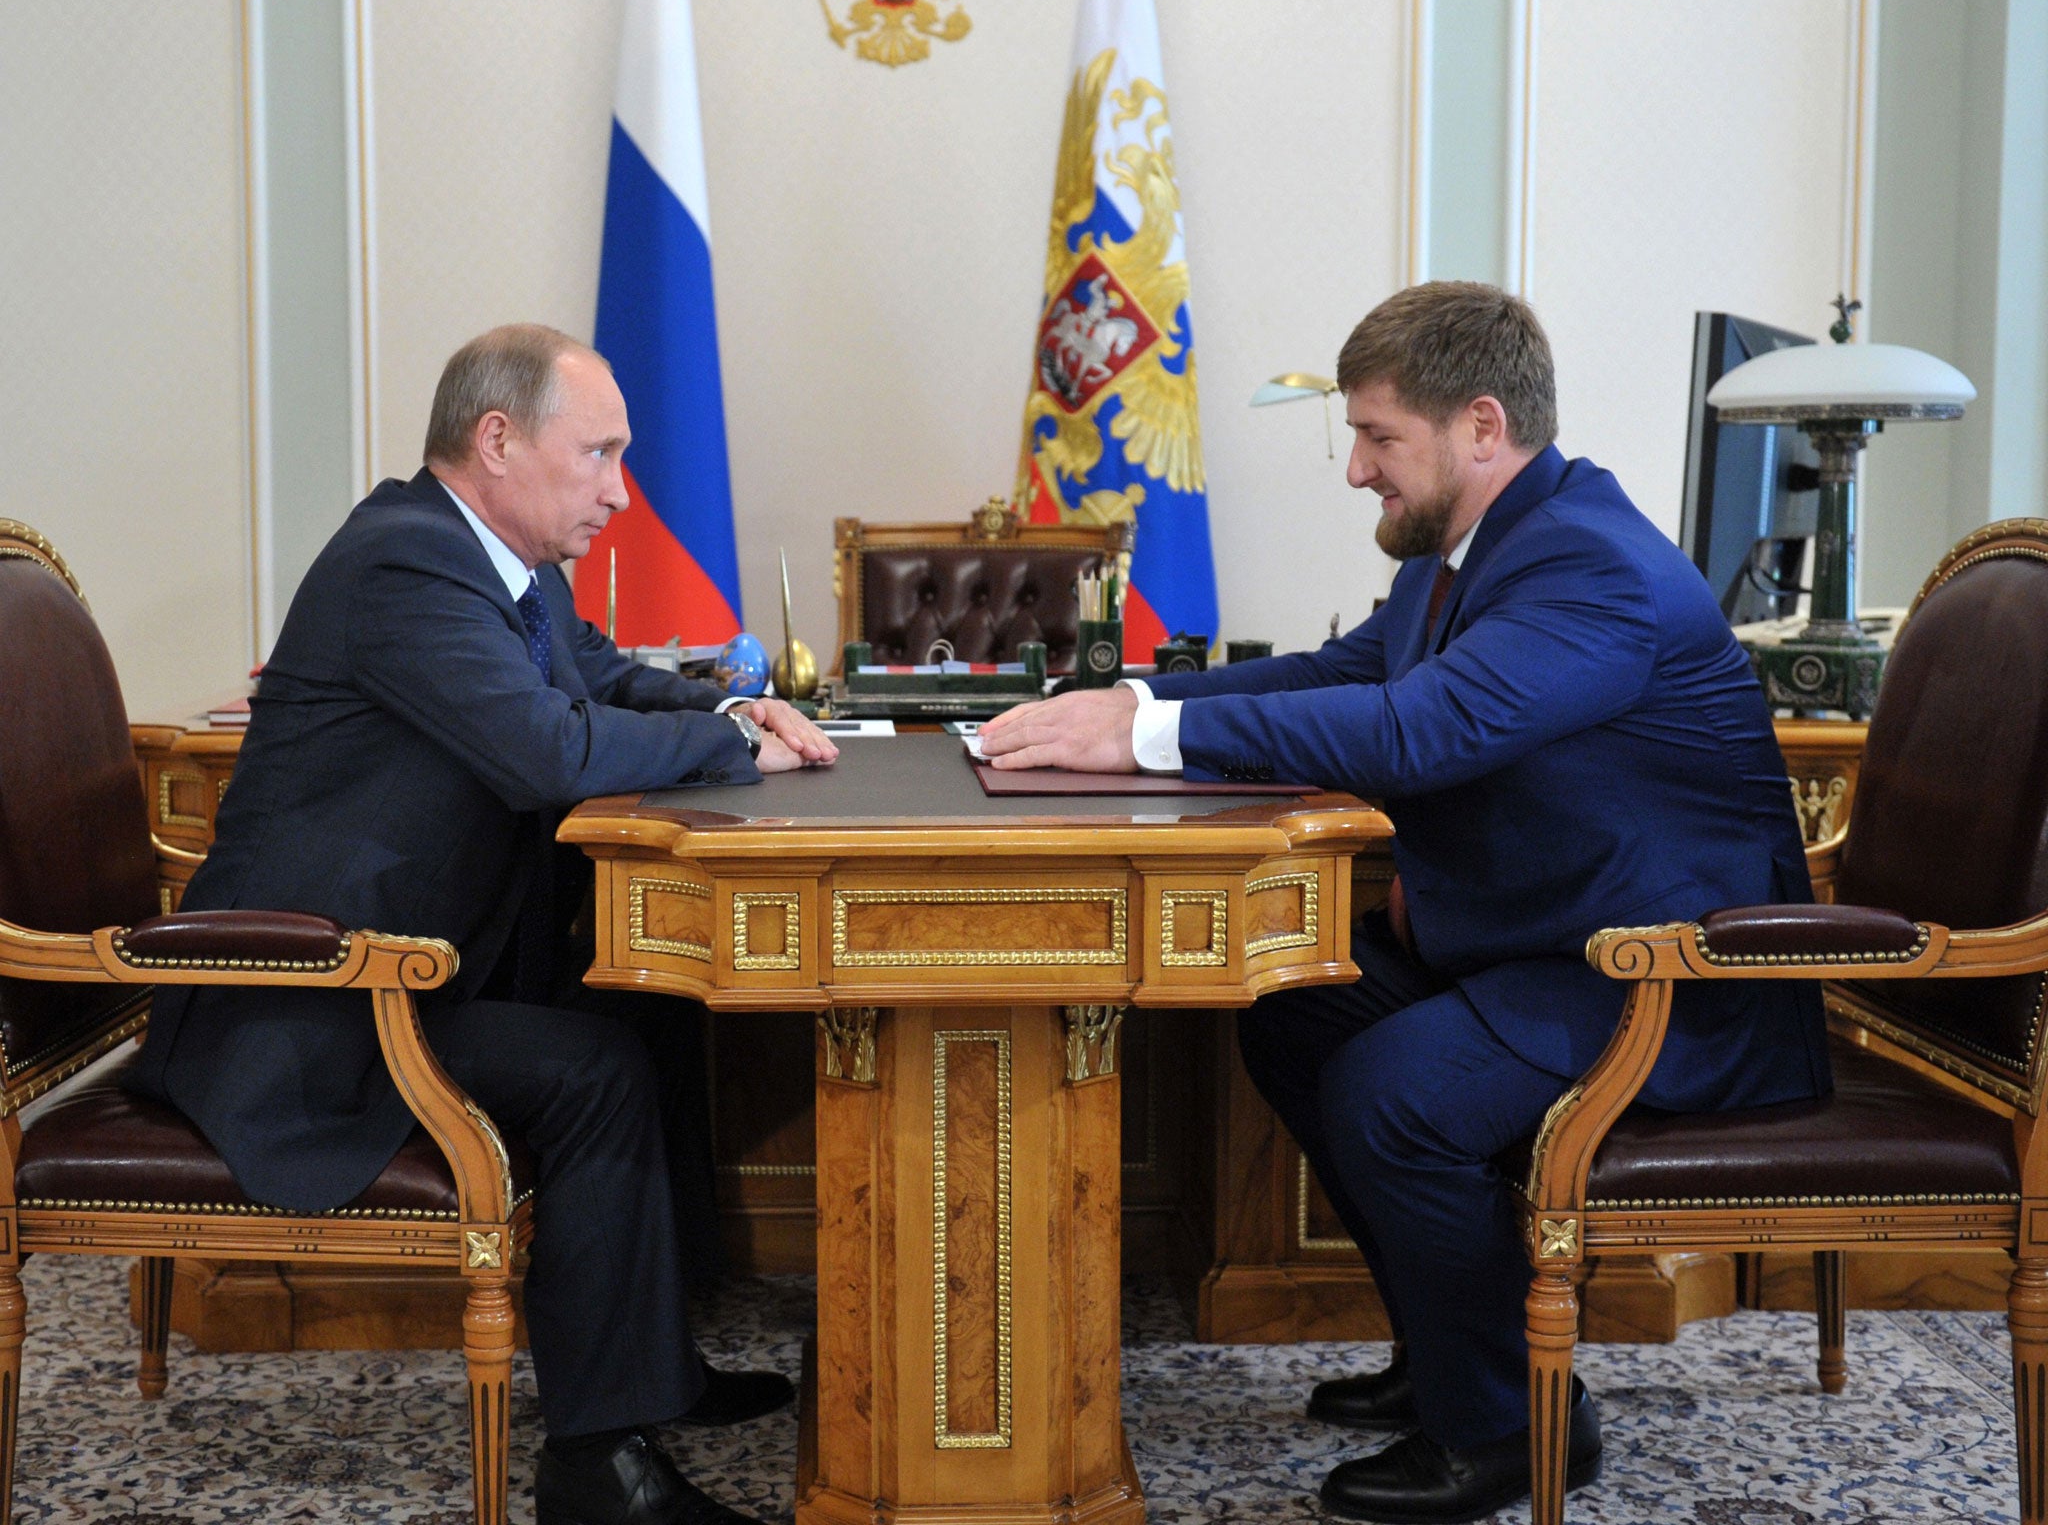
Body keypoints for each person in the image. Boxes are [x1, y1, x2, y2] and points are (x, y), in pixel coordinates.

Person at [980, 282, 1829, 1523]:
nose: (1355, 472)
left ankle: (1507, 1430)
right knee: (1293, 1013)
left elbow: (1423, 727)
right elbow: (1344, 672)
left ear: (1479, 427)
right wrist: (1120, 710)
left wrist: (1148, 734)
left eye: (1377, 438)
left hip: (1663, 981)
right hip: (1549, 944)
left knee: (1394, 1095)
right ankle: (1452, 1354)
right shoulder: (1476, 549)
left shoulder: (1590, 566)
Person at [126, 324, 838, 1525]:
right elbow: (545, 750)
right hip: (304, 1008)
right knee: (596, 1068)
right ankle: (598, 1473)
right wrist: (731, 749)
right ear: (497, 440)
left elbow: (601, 680)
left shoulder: (504, 566)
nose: (620, 491)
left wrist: (736, 702)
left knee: (643, 1007)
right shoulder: (404, 563)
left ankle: (649, 1374)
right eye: (599, 453)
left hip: (410, 969)